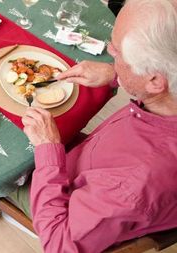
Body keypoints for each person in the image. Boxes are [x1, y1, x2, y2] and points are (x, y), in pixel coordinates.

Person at [10, 0, 177, 252]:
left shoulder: (134, 183)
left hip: (66, 207)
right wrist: (116, 74)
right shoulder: (166, 95)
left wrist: (48, 148)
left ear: (154, 80)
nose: (109, 50)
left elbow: (59, 246)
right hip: (92, 163)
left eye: (117, 52)